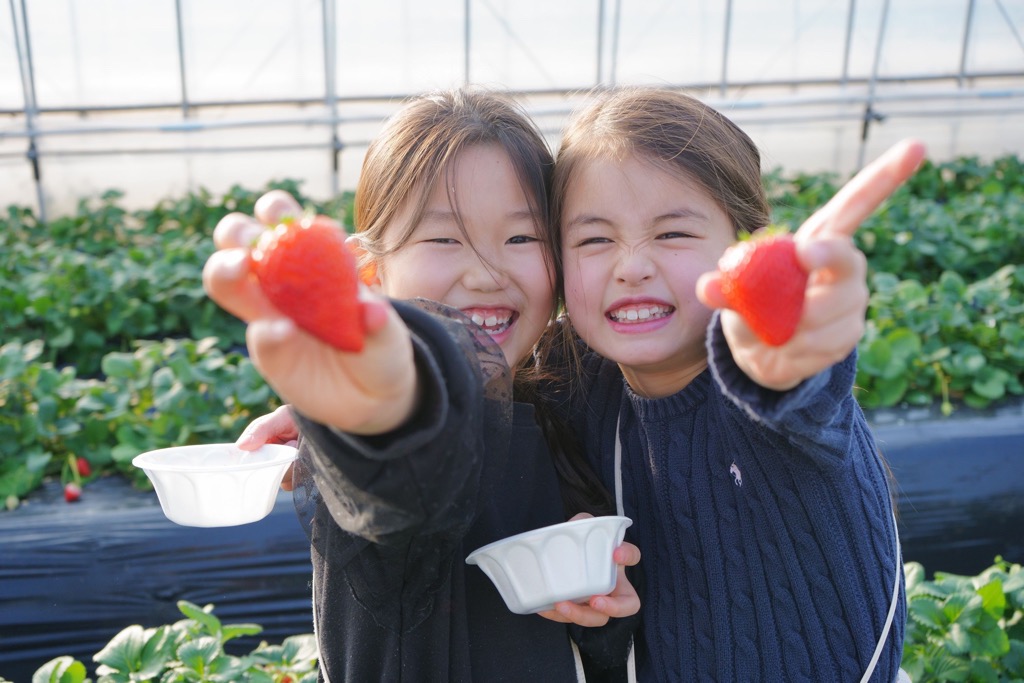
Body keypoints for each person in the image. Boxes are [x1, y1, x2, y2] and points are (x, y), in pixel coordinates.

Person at [203, 87, 641, 682]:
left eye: (521, 238)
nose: (487, 274)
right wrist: (367, 416)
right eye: (443, 238)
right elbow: (401, 465)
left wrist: (602, 604)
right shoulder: (391, 428)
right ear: (369, 271)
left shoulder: (564, 406)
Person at [544, 87, 923, 682]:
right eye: (594, 239)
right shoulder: (575, 385)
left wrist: (778, 345)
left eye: (673, 234)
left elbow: (796, 388)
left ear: (744, 245)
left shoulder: (770, 396)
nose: (632, 264)